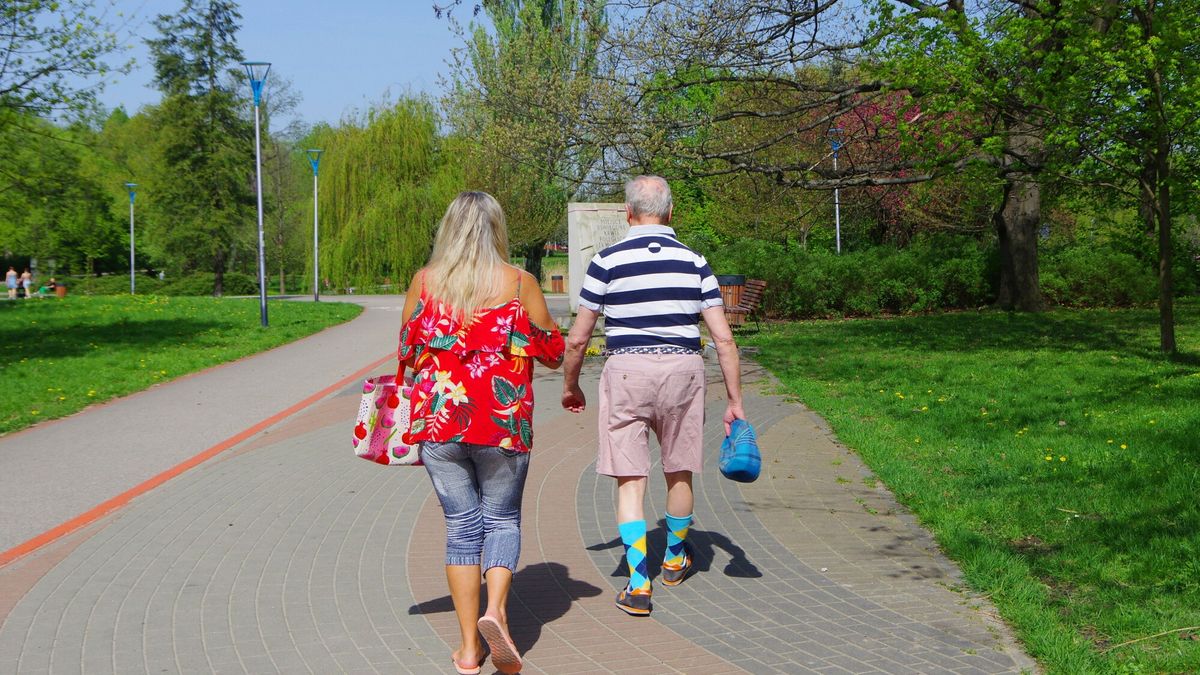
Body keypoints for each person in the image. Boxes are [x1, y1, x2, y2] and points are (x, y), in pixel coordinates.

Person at [561, 175, 745, 616]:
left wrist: (570, 385)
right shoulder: (695, 262)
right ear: (670, 212)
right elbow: (723, 339)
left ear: (628, 213)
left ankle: (639, 583)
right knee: (679, 470)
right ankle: (675, 558)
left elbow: (578, 338)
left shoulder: (605, 261)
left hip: (627, 372)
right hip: (683, 371)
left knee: (631, 479)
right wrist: (735, 401)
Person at [399, 191, 565, 674]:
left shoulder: (425, 282)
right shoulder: (520, 283)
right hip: (501, 422)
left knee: (461, 527)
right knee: (502, 520)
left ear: (448, 230)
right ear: (497, 230)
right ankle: (496, 611)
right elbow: (553, 353)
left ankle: (470, 648)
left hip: (440, 422)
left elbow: (407, 353)